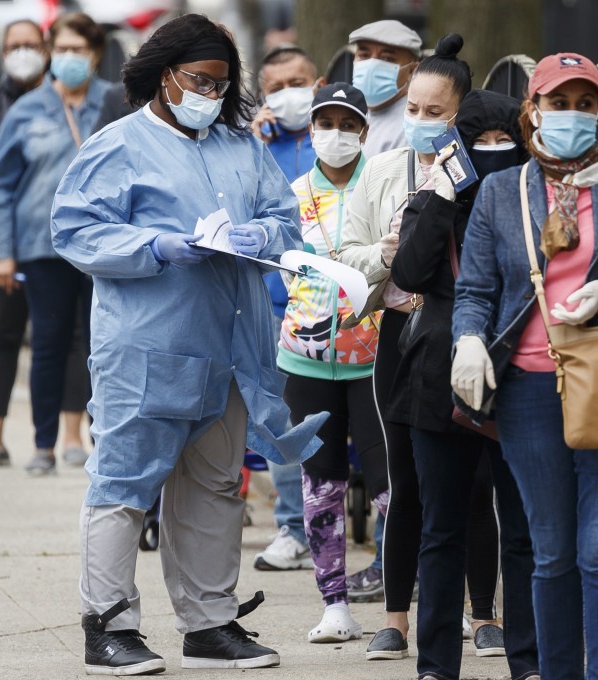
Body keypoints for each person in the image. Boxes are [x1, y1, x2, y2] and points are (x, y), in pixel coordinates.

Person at [49, 14, 322, 675]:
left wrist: (265, 235)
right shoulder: (117, 146)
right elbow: (75, 230)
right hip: (149, 348)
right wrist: (156, 245)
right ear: (164, 76)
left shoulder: (238, 145)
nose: (210, 93)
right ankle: (109, 627)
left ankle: (209, 623)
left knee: (214, 486)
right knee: (124, 484)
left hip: (230, 349)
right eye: (199, 80)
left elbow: (288, 223)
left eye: (222, 84)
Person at [451, 52, 598, 679]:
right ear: (534, 109)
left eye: (586, 104)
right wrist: (467, 339)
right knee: (551, 552)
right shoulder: (502, 191)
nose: (574, 115)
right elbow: (474, 288)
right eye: (560, 103)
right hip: (528, 389)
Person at [338, 35, 508, 667]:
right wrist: (384, 263)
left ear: (463, 115)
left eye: (435, 113)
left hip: (475, 346)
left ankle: (484, 612)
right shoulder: (381, 169)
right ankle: (395, 619)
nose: (419, 122)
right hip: (404, 344)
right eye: (413, 108)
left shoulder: (492, 175)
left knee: (478, 487)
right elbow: (347, 252)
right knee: (408, 482)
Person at [388, 60, 539, 678]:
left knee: (523, 532)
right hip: (437, 377)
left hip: (520, 377)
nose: (495, 152)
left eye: (507, 140)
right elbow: (408, 274)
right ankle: (434, 665)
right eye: (481, 141)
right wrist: (442, 197)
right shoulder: (437, 194)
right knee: (440, 527)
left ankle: (528, 660)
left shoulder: (534, 198)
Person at [264, 82, 389, 643]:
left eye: (346, 123)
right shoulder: (290, 194)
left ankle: (415, 595)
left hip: (377, 359)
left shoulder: (383, 185)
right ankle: (334, 604)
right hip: (307, 361)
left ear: (364, 130)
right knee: (321, 484)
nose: (334, 134)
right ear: (311, 130)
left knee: (394, 484)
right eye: (324, 123)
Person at [0, 12, 111, 476]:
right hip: (41, 247)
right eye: (62, 49)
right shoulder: (27, 109)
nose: (70, 58)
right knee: (49, 343)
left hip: (102, 247)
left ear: (95, 55)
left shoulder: (113, 104)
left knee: (100, 346)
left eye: (79, 50)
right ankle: (43, 445)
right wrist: (0, 251)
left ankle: (101, 441)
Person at [248, 43, 323, 575]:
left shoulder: (338, 135)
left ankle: (356, 532)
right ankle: (293, 529)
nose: (289, 94)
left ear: (317, 83)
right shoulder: (254, 147)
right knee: (281, 418)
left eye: (298, 81)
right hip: (277, 304)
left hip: (346, 301)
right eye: (276, 87)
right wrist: (247, 140)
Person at [349, 19, 420, 157]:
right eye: (364, 55)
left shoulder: (412, 128)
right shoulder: (348, 113)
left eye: (387, 59)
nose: (371, 65)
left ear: (412, 71)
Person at [251, 44, 321, 181]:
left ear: (318, 87)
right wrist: (255, 148)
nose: (288, 94)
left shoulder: (334, 137)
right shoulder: (255, 142)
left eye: (297, 84)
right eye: (276, 89)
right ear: (263, 97)